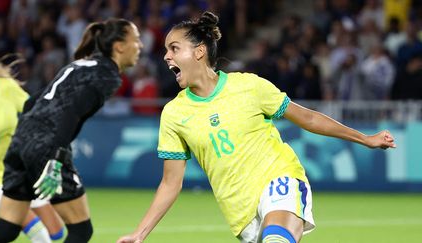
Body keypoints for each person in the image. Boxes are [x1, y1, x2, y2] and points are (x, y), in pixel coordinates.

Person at [117, 12, 396, 243]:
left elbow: (308, 118)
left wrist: (365, 139)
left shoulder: (248, 86)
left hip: (280, 181)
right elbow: (170, 183)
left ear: (199, 51)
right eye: (166, 50)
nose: (165, 56)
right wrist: (139, 234)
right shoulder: (174, 114)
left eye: (174, 48)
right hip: (241, 215)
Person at [0, 18, 143, 243]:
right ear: (119, 46)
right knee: (81, 231)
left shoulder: (80, 64)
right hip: (47, 147)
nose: (140, 46)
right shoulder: (106, 74)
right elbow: (71, 112)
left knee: (7, 228)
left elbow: (32, 103)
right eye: (136, 40)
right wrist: (56, 159)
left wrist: (27, 142)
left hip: (21, 142)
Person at [0, 57, 65, 242]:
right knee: (40, 233)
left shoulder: (4, 87)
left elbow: (34, 110)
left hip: (19, 170)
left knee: (56, 232)